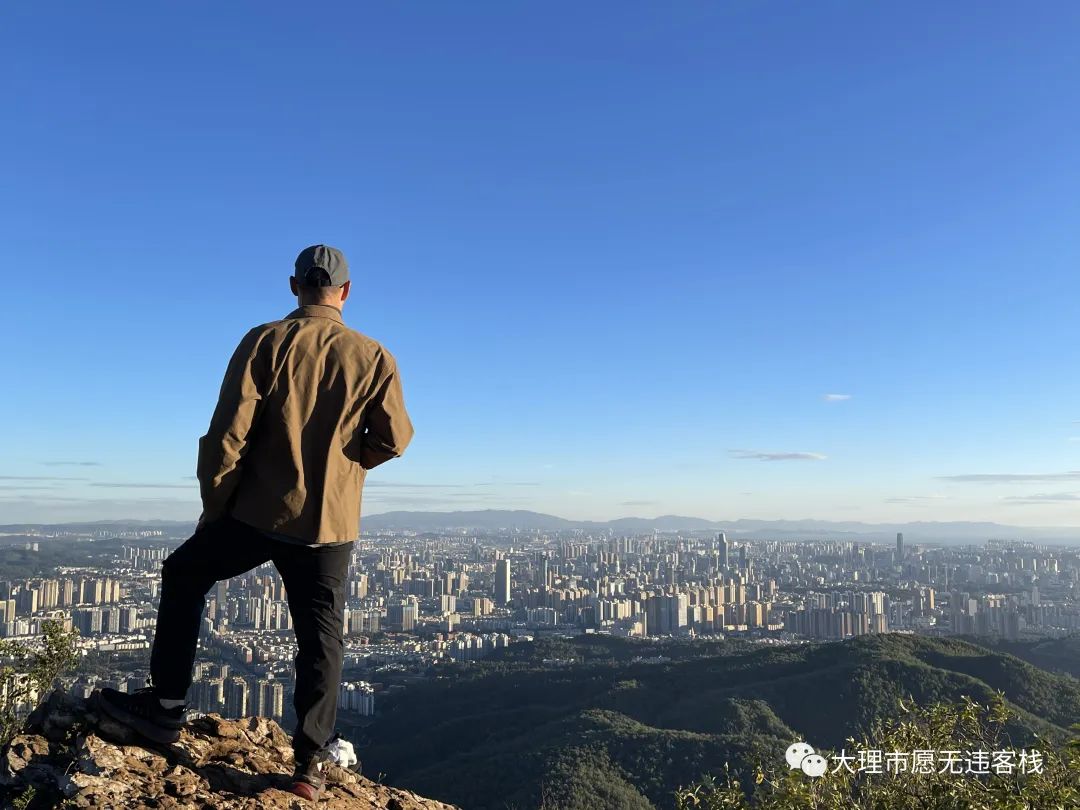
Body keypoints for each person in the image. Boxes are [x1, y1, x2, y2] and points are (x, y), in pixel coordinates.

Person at [99, 244, 414, 800]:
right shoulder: (374, 356)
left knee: (184, 575)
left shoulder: (266, 340)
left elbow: (226, 437)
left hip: (257, 513)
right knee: (322, 637)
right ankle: (310, 762)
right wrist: (349, 463)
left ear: (294, 285)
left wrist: (214, 510)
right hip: (330, 524)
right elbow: (394, 438)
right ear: (345, 292)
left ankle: (166, 706)